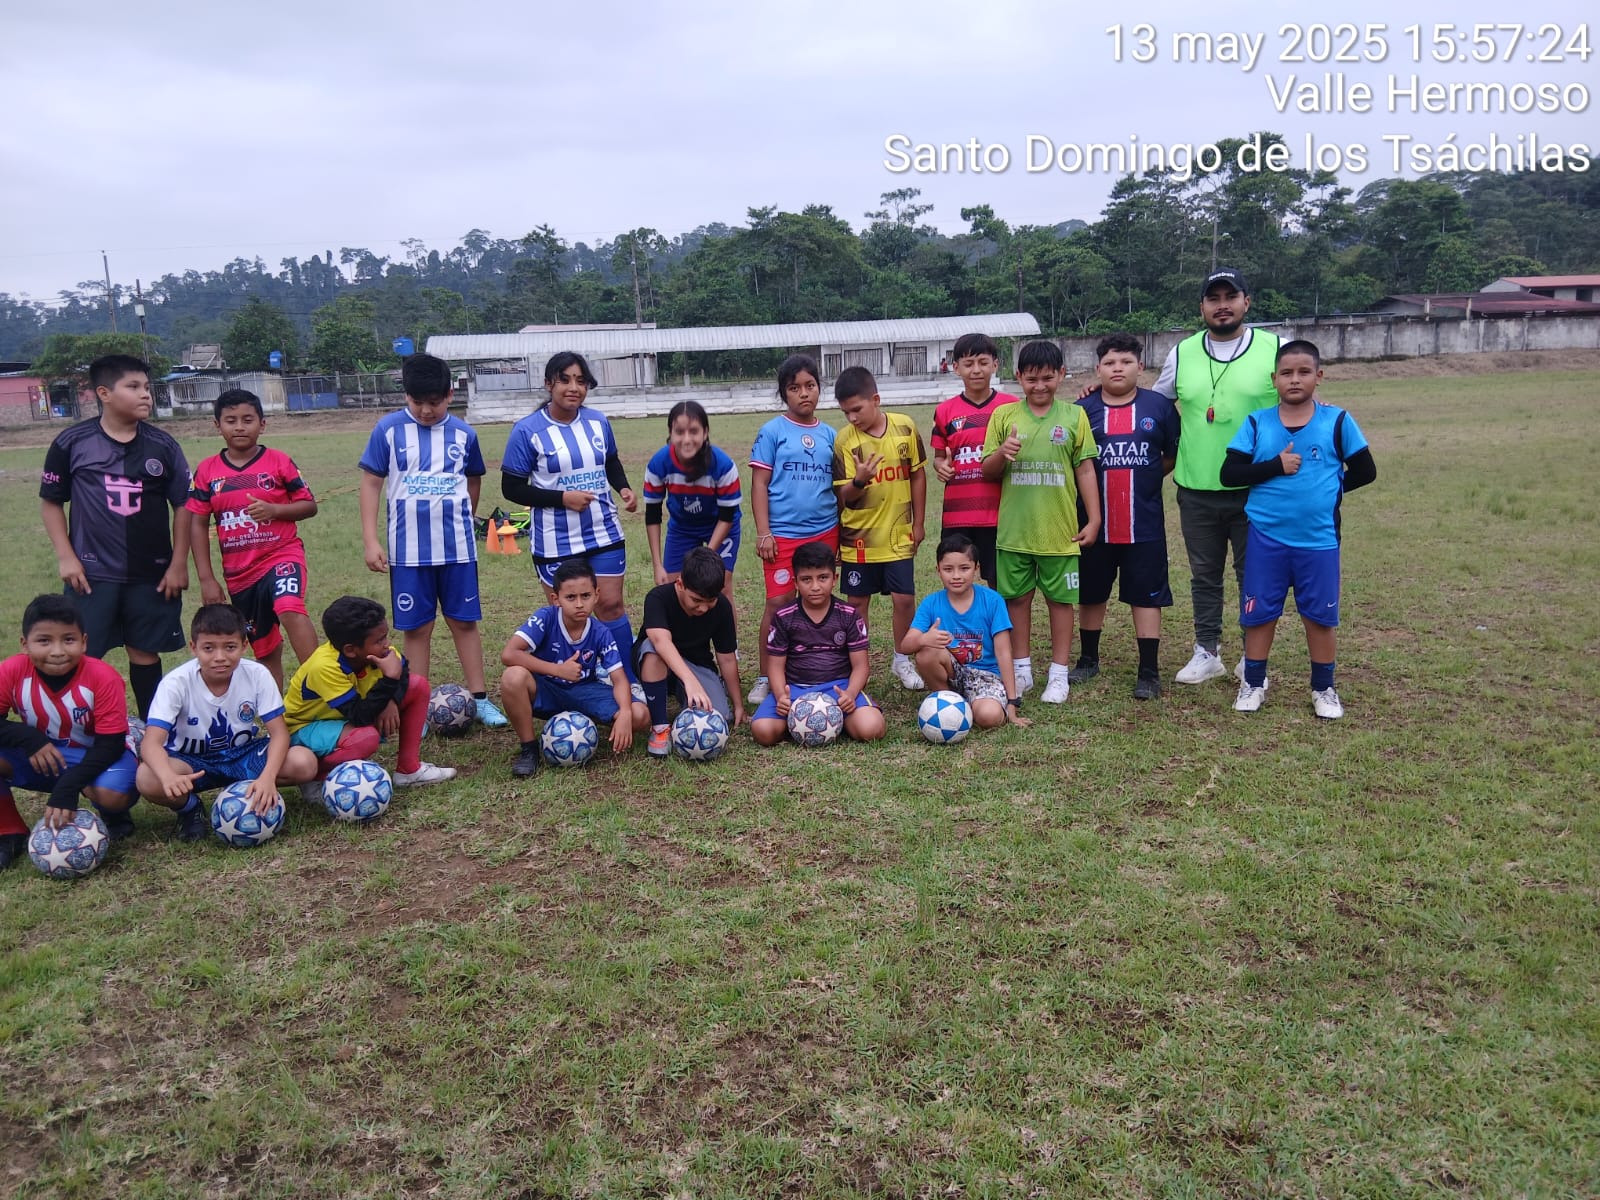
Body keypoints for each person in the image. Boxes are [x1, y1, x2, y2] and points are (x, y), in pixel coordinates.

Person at [1220, 340, 1376, 719]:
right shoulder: (1258, 422)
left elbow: (1366, 470)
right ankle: (1253, 682)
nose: (1294, 379)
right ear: (1274, 378)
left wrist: (1329, 489)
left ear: (1318, 376)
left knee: (1320, 616)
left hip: (1318, 540)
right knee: (1259, 613)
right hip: (1265, 537)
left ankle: (1324, 688)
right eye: (1286, 373)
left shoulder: (1336, 421)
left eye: (1304, 372)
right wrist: (1275, 466)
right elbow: (1230, 474)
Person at [39, 354, 190, 719]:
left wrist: (178, 563)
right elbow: (51, 502)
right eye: (133, 387)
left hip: (151, 574)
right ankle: (80, 729)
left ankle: (153, 731)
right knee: (82, 652)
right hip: (91, 574)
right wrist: (66, 557)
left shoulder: (163, 446)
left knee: (144, 650)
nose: (145, 394)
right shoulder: (71, 442)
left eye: (147, 387)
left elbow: (184, 506)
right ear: (104, 393)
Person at [359, 354, 506, 727]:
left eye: (434, 402)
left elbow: (473, 480)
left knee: (464, 622)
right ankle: (417, 706)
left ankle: (480, 699)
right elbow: (371, 483)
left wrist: (464, 518)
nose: (425, 410)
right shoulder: (388, 430)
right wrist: (371, 540)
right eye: (417, 401)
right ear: (406, 395)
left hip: (457, 550)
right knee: (417, 628)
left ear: (449, 395)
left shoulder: (464, 434)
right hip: (408, 553)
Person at [1150, 268, 1280, 685]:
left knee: (1254, 576)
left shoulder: (1274, 348)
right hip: (1197, 488)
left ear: (1247, 302)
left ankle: (1251, 658)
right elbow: (1154, 404)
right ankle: (1207, 651)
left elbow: (1300, 400)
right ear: (1202, 306)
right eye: (1213, 298)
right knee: (1204, 576)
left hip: (1257, 487)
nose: (1222, 305)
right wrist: (1096, 397)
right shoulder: (1182, 352)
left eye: (1230, 296)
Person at [501, 351, 640, 687]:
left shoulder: (598, 422)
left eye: (580, 381)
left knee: (611, 605)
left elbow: (610, 461)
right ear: (549, 383)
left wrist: (623, 488)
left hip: (603, 532)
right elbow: (511, 488)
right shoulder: (527, 431)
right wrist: (563, 498)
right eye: (565, 380)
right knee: (569, 613)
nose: (573, 387)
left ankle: (628, 679)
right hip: (555, 541)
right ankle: (571, 683)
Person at [980, 340, 1101, 704]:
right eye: (1031, 379)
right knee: (1016, 600)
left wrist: (1094, 518)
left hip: (1060, 532)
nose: (1040, 386)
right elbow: (987, 470)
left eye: (1048, 378)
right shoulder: (1004, 416)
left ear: (1061, 374)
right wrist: (1002, 453)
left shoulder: (1074, 416)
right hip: (1015, 532)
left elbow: (1085, 469)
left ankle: (1059, 674)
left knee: (1060, 602)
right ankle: (1021, 669)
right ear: (1018, 377)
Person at [137, 604, 319, 841]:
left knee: (303, 762)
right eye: (209, 648)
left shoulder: (257, 674)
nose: (220, 657)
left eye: (230, 647)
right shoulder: (175, 683)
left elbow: (279, 734)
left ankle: (253, 790)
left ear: (244, 646)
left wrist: (267, 777)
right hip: (192, 763)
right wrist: (167, 775)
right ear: (193, 647)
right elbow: (151, 743)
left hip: (242, 755)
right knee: (147, 778)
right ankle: (190, 809)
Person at [1070, 334, 1181, 700]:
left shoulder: (1159, 407)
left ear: (1140, 366)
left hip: (1143, 523)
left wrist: (1143, 477)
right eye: (1110, 363)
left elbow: (1169, 456)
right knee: (1091, 591)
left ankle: (1149, 671)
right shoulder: (1082, 409)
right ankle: (1088, 659)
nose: (1118, 368)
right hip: (1093, 523)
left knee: (1146, 596)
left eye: (1126, 362)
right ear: (1098, 368)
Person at [188, 388, 320, 691]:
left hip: (281, 555)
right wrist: (206, 578)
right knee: (264, 646)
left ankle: (321, 687)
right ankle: (274, 708)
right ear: (217, 425)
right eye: (230, 420)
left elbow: (309, 505)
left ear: (262, 424)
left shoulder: (279, 461)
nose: (239, 427)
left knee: (289, 605)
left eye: (247, 420)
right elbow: (198, 523)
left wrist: (275, 510)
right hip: (240, 574)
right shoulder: (207, 471)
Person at [0, 594, 138, 867]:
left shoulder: (103, 676)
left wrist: (69, 785)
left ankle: (112, 814)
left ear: (84, 642)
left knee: (113, 795)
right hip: (44, 754)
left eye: (68, 640)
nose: (57, 651)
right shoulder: (11, 671)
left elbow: (110, 744)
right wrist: (30, 738)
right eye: (44, 641)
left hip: (96, 753)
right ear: (25, 644)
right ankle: (9, 831)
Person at [284, 595, 456, 796]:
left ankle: (409, 770)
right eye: (379, 640)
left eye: (385, 636)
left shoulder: (381, 652)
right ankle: (317, 777)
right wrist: (389, 682)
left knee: (418, 686)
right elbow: (360, 716)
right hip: (304, 727)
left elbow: (402, 673)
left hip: (347, 717)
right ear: (351, 650)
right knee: (365, 738)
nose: (387, 644)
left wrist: (391, 701)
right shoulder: (324, 667)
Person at [499, 559, 648, 778]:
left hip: (584, 691)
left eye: (585, 596)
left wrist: (625, 712)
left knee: (640, 715)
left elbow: (619, 678)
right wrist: (556, 670)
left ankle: (588, 723)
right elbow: (509, 654)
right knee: (512, 677)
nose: (579, 604)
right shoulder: (545, 618)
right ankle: (529, 749)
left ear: (596, 595)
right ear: (556, 599)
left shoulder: (601, 632)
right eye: (570, 597)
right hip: (546, 688)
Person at [748, 354, 838, 705]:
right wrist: (764, 532)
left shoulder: (831, 435)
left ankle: (818, 668)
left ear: (819, 388)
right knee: (778, 603)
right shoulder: (772, 431)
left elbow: (839, 488)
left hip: (825, 531)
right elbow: (759, 484)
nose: (804, 393)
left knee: (819, 599)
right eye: (795, 387)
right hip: (783, 534)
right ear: (784, 393)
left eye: (810, 385)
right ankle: (765, 675)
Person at [832, 366, 927, 690]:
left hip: (898, 534)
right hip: (859, 539)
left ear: (875, 399)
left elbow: (917, 474)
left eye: (856, 409)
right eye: (845, 412)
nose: (852, 418)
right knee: (857, 603)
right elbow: (843, 496)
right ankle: (858, 664)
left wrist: (919, 522)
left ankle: (902, 659)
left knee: (904, 599)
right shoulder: (845, 440)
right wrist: (859, 480)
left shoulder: (905, 427)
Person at [751, 539, 886, 747]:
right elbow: (775, 666)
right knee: (763, 732)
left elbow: (861, 665)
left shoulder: (849, 614)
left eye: (823, 578)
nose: (815, 587)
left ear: (834, 579)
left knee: (872, 728)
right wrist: (781, 696)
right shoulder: (784, 616)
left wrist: (850, 694)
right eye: (806, 579)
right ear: (795, 583)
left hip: (839, 688)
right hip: (794, 689)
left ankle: (837, 718)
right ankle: (801, 719)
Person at [901, 534, 1029, 731]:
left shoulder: (993, 601)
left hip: (986, 676)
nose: (956, 576)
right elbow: (905, 645)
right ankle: (947, 699)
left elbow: (1004, 652)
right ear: (938, 570)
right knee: (926, 652)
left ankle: (975, 704)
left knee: (989, 717)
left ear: (976, 569)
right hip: (953, 672)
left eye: (964, 568)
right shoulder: (931, 603)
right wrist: (924, 638)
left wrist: (1012, 703)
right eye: (948, 569)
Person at [636, 546, 744, 757]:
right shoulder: (658, 597)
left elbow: (727, 659)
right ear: (680, 584)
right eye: (696, 600)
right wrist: (690, 681)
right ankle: (660, 727)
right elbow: (660, 641)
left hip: (695, 661)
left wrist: (738, 704)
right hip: (657, 657)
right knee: (654, 652)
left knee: (720, 716)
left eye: (710, 601)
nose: (703, 608)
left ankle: (681, 690)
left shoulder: (722, 607)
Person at [930, 333, 1016, 587]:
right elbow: (938, 458)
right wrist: (941, 467)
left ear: (995, 364)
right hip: (957, 516)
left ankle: (998, 617)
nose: (976, 370)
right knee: (956, 582)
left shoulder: (1011, 406)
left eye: (983, 362)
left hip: (999, 515)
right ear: (956, 368)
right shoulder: (944, 411)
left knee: (1001, 585)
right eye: (968, 364)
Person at [642, 400, 742, 618]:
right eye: (679, 432)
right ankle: (686, 639)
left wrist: (706, 556)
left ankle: (728, 639)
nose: (686, 439)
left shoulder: (723, 465)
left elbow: (727, 516)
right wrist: (658, 565)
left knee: (720, 587)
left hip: (720, 526)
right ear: (670, 433)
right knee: (675, 586)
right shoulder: (658, 464)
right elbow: (652, 515)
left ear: (705, 433)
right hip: (682, 527)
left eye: (694, 431)